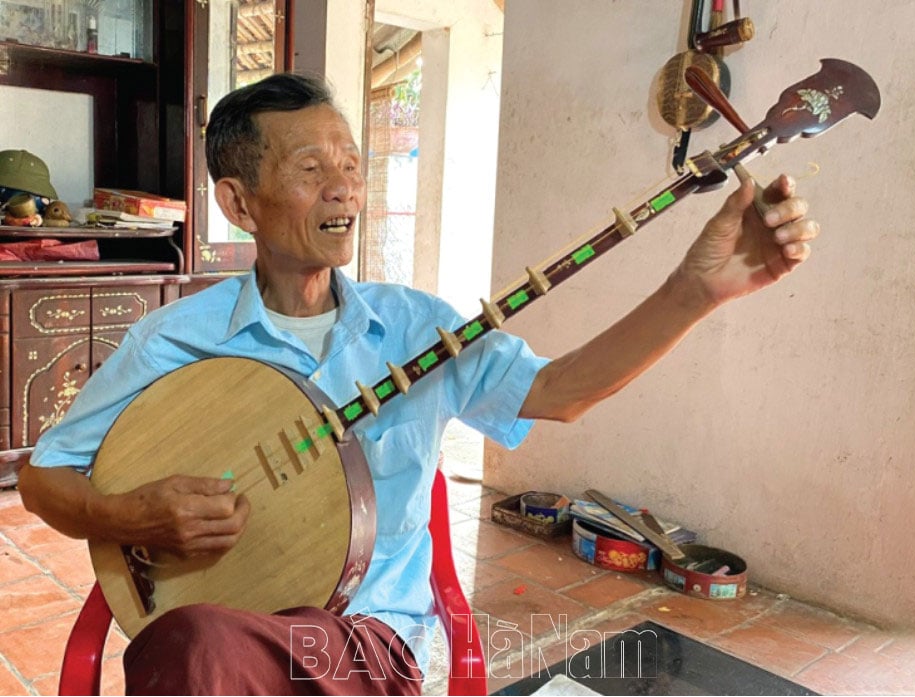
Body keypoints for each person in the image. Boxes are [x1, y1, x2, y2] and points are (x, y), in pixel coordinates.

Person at [17, 72, 818, 695]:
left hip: (361, 642)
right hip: (216, 625)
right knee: (197, 645)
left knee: (194, 652)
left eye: (350, 166)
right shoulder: (172, 339)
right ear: (238, 202)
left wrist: (695, 291)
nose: (343, 188)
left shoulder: (414, 332)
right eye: (309, 168)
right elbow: (44, 473)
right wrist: (124, 513)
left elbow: (561, 391)